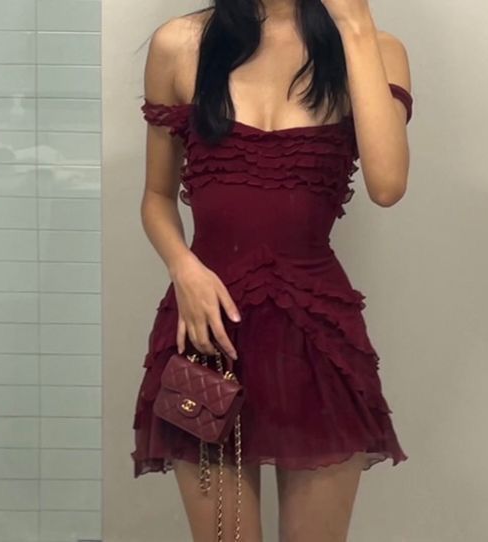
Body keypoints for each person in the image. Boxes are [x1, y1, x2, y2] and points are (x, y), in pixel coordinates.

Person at [131, 1, 412, 540]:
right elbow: (156, 197)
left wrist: (355, 24)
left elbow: (387, 185)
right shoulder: (180, 44)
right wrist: (183, 267)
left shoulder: (375, 48)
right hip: (205, 334)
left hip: (316, 340)